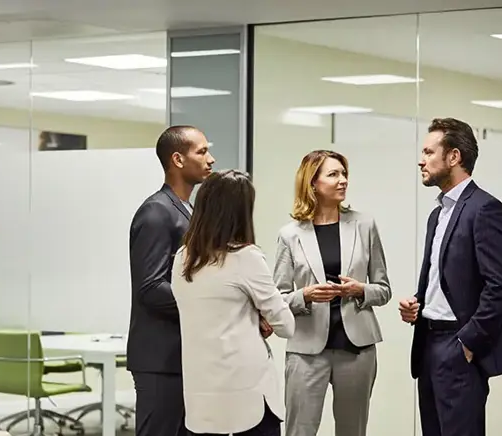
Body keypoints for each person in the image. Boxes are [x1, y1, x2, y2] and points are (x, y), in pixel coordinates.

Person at [398, 118, 502, 436]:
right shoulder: (438, 214)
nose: (421, 160)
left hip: (459, 346)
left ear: (453, 157)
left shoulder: (485, 209)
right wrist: (418, 304)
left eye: (428, 152)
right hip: (428, 343)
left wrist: (468, 341)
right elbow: (446, 278)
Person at [273, 150, 391, 436]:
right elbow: (278, 298)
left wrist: (360, 289)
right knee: (300, 430)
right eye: (333, 174)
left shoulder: (364, 225)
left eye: (344, 174)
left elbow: (384, 289)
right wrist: (306, 295)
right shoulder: (290, 234)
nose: (343, 181)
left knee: (353, 431)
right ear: (312, 183)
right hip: (306, 350)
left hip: (357, 348)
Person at [172, 169, 295, 436]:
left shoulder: (182, 258)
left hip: (201, 396)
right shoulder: (246, 257)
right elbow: (286, 325)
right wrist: (260, 315)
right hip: (247, 393)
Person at [126, 125, 215, 436]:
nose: (211, 159)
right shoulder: (156, 213)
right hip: (160, 360)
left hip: (183, 355)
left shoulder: (187, 210)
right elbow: (150, 288)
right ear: (177, 159)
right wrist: (208, 304)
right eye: (202, 151)